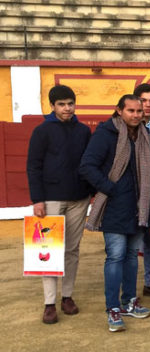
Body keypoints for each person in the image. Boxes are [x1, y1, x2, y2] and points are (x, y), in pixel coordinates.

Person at [80, 94, 150, 332]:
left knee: (132, 257)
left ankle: (129, 301)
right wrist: (110, 189)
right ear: (119, 111)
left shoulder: (143, 135)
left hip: (137, 207)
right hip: (113, 207)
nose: (135, 115)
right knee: (115, 257)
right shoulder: (105, 134)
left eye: (139, 111)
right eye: (130, 110)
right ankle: (113, 308)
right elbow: (87, 166)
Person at [26, 85, 92, 324]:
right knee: (48, 250)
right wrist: (37, 200)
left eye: (70, 103)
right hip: (51, 198)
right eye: (62, 104)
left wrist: (91, 191)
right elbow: (33, 166)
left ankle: (67, 296)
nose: (67, 108)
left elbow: (90, 163)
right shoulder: (42, 131)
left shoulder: (83, 131)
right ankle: (49, 302)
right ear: (52, 106)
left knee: (72, 249)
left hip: (79, 198)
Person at [134, 83, 150, 297]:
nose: (148, 105)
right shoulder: (123, 127)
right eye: (144, 100)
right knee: (129, 241)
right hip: (131, 192)